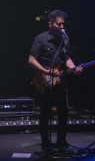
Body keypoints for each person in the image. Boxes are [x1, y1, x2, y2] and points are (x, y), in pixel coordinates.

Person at [28, 10, 83, 153]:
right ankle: (46, 144)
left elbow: (66, 58)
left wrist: (74, 68)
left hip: (60, 80)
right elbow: (31, 60)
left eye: (63, 23)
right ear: (50, 24)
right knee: (46, 112)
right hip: (45, 79)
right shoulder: (40, 39)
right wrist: (47, 72)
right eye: (59, 24)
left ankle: (61, 142)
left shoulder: (65, 39)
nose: (62, 26)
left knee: (63, 111)